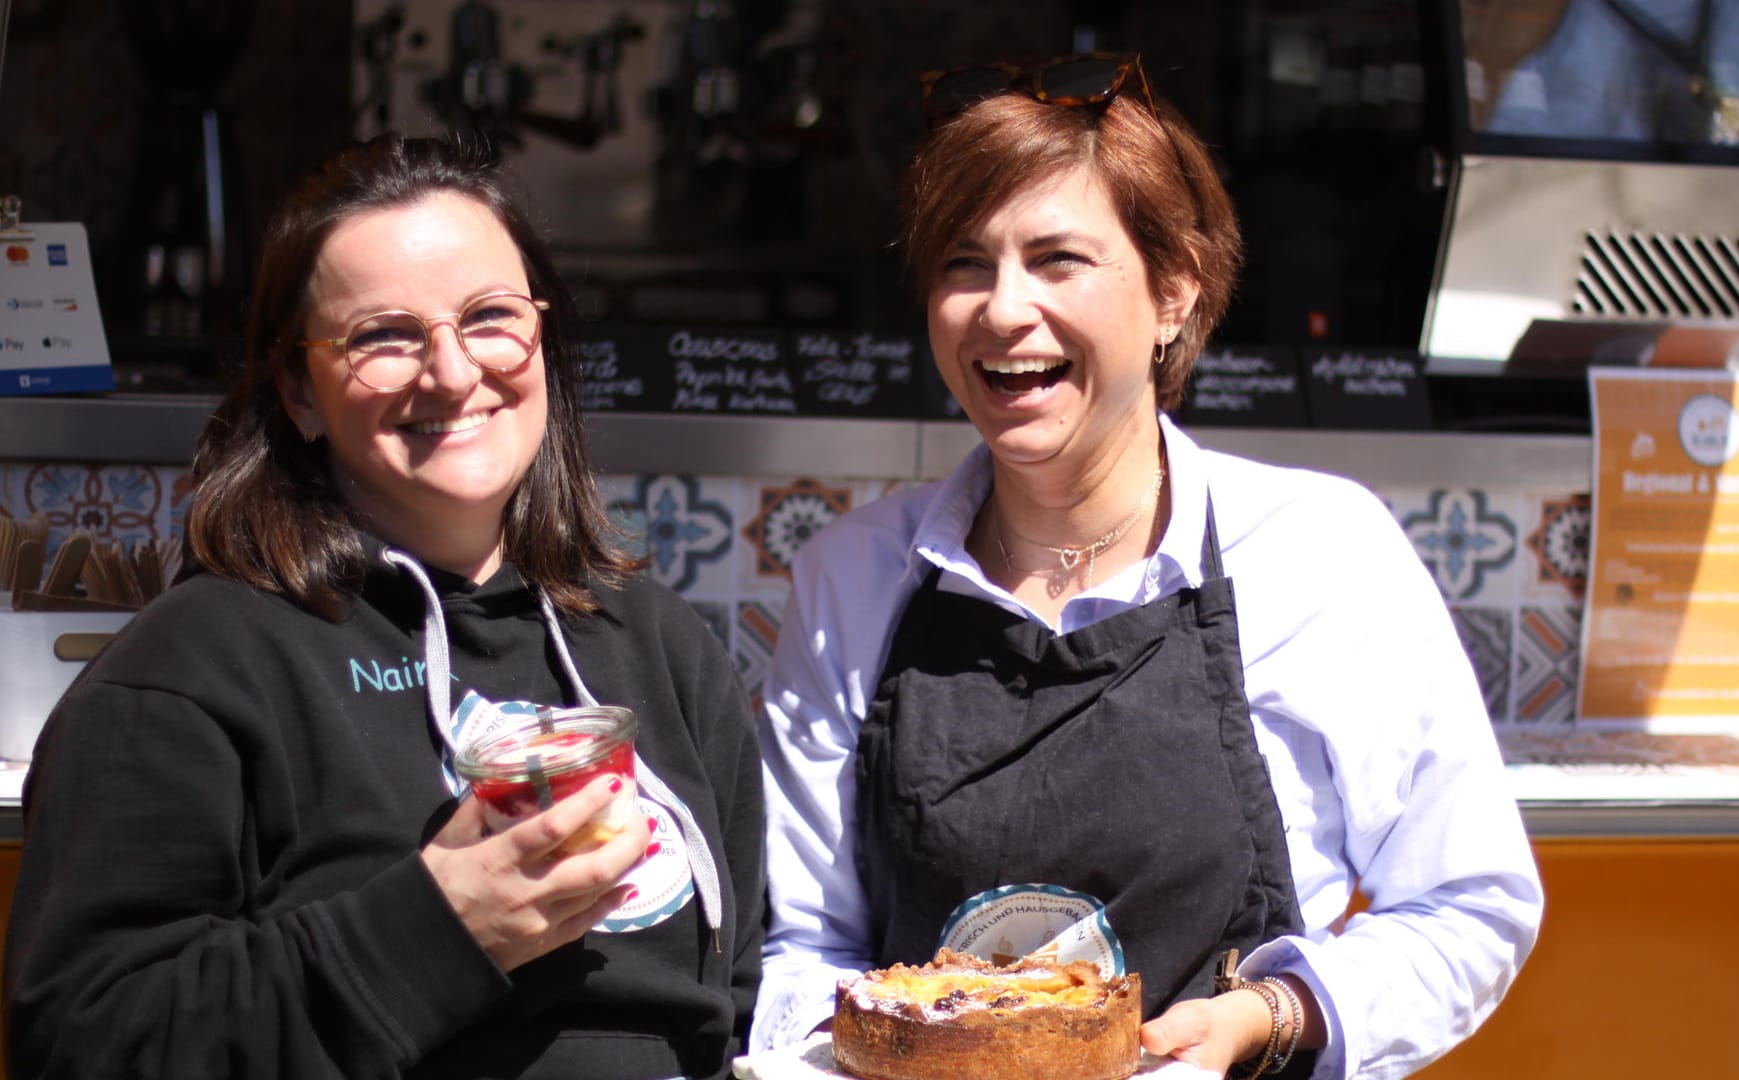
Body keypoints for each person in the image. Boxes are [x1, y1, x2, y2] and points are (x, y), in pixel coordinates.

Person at [752, 53, 1543, 1078]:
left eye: (1057, 260)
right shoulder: (851, 578)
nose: (1001, 308)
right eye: (963, 262)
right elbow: (805, 945)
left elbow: (1471, 905)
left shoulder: (1320, 551)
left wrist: (1271, 1015)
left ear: (1176, 290)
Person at [4, 135, 764, 1080]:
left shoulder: (661, 644)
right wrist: (436, 934)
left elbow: (736, 1006)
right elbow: (83, 1041)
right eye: (383, 336)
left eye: (489, 316)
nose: (450, 374)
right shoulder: (192, 673)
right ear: (298, 390)